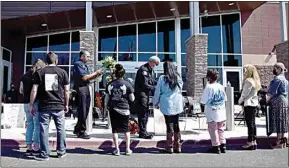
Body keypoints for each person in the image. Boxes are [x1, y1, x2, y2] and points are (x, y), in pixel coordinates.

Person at [30, 52, 70, 161]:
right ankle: (61, 151)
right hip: (58, 105)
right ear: (56, 61)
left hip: (44, 106)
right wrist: (66, 104)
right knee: (60, 129)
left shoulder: (39, 72)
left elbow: (34, 90)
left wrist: (31, 105)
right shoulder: (62, 72)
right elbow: (67, 90)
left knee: (44, 129)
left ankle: (44, 154)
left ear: (46, 61)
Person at [153, 61, 183, 154]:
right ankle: (177, 146)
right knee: (176, 123)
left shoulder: (162, 78)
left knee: (169, 123)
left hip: (167, 103)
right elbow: (181, 88)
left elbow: (158, 91)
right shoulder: (178, 77)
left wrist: (155, 102)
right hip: (177, 102)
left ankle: (169, 146)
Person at [72, 50, 104, 139]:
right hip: (81, 89)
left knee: (86, 110)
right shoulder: (78, 64)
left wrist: (98, 75)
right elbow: (84, 77)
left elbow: (88, 78)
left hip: (86, 88)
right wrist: (96, 72)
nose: (89, 58)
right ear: (82, 56)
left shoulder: (84, 65)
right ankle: (81, 131)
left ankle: (77, 129)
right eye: (87, 56)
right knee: (83, 110)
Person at [104, 64, 134, 156]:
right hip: (124, 108)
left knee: (115, 129)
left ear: (115, 74)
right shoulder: (127, 84)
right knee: (126, 129)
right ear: (123, 74)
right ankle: (128, 149)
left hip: (113, 108)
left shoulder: (110, 84)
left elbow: (107, 97)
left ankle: (117, 150)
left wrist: (106, 106)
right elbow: (132, 98)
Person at [20, 59, 46, 155]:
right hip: (35, 103)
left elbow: (21, 90)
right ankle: (36, 147)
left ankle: (28, 146)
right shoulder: (37, 76)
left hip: (25, 103)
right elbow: (36, 90)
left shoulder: (24, 76)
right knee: (37, 125)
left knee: (29, 124)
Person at [200, 69, 227, 154]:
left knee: (213, 129)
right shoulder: (220, 86)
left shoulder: (208, 87)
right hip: (221, 109)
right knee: (221, 128)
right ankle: (223, 145)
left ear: (208, 77)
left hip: (212, 110)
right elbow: (225, 98)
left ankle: (216, 146)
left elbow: (203, 100)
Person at [134, 56, 160, 139]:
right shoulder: (143, 70)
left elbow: (151, 81)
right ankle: (142, 132)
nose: (154, 66)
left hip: (145, 94)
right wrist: (155, 88)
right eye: (154, 64)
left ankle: (144, 131)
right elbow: (145, 84)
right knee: (143, 114)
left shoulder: (149, 69)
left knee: (145, 114)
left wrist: (159, 82)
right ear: (151, 62)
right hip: (141, 95)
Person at [238, 64, 261, 150]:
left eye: (245, 70)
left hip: (249, 103)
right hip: (254, 104)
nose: (244, 72)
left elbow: (244, 94)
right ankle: (254, 141)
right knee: (253, 123)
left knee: (249, 124)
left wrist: (239, 101)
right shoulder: (255, 81)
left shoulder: (248, 81)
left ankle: (250, 142)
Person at [268, 62, 288, 148]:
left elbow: (272, 91)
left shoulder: (277, 79)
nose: (274, 70)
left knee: (279, 120)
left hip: (278, 100)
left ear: (279, 69)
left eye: (275, 68)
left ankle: (279, 142)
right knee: (283, 121)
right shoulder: (285, 80)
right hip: (285, 100)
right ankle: (283, 141)